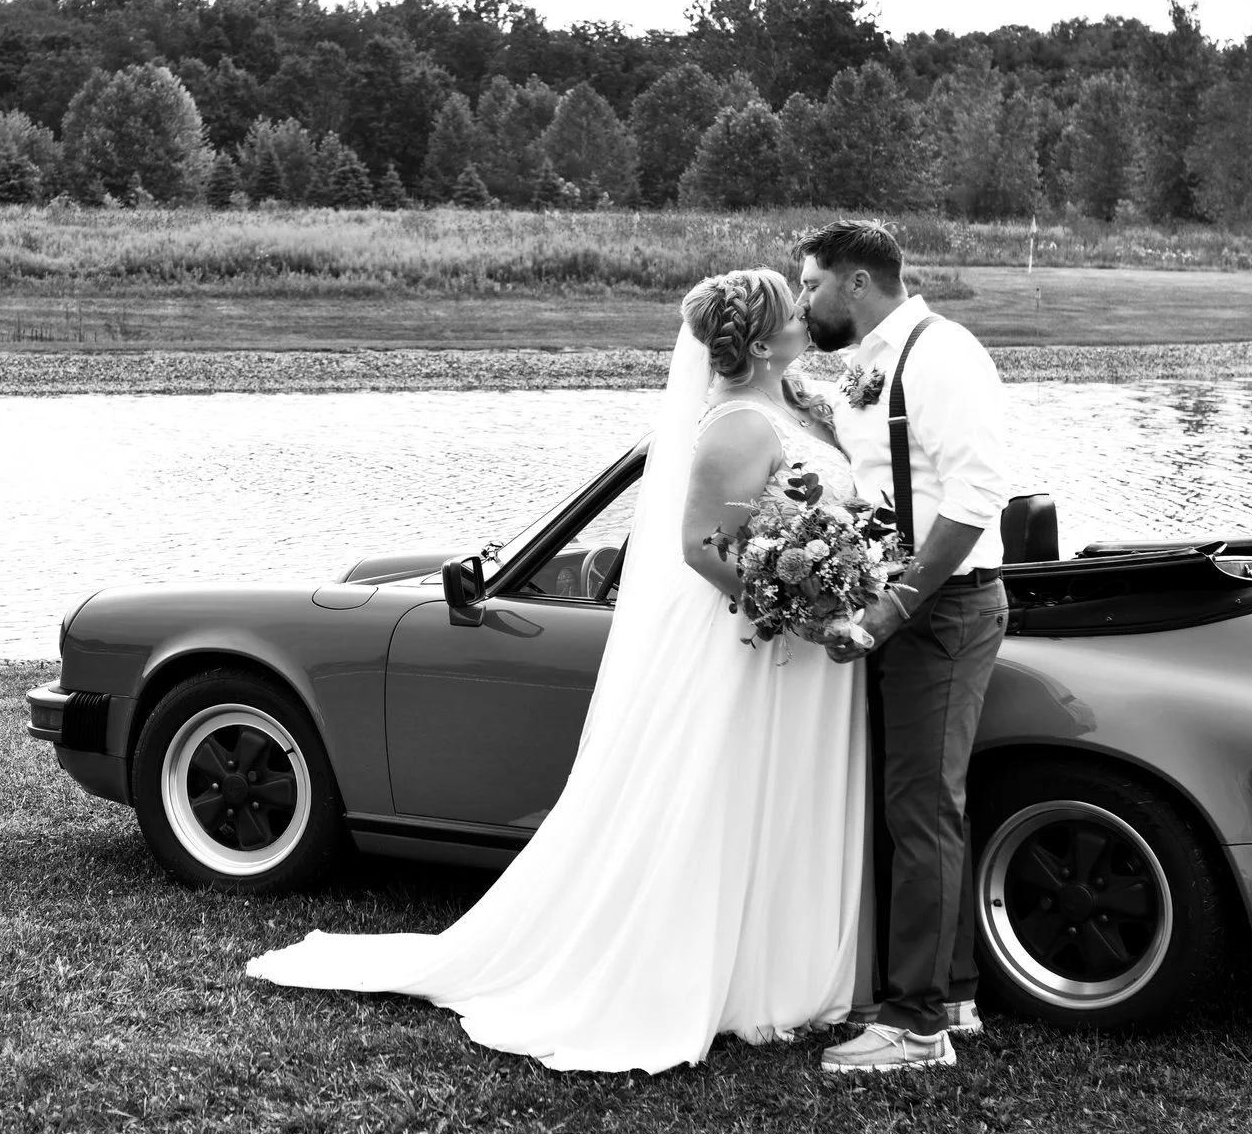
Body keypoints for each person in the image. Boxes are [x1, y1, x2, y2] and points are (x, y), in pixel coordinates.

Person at [247, 269, 868, 1074]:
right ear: (758, 340)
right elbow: (699, 546)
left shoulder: (801, 403)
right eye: (791, 309)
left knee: (787, 794)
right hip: (759, 642)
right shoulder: (737, 425)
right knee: (728, 792)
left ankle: (789, 967)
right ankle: (726, 975)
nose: (804, 313)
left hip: (807, 645)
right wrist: (799, 609)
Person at [796, 218, 1013, 1075]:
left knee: (922, 811)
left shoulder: (943, 354)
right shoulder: (871, 361)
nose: (805, 296)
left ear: (856, 282)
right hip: (905, 605)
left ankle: (915, 1026)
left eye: (810, 282)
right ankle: (950, 992)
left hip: (943, 609)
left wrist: (891, 609)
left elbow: (977, 494)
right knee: (919, 808)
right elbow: (880, 462)